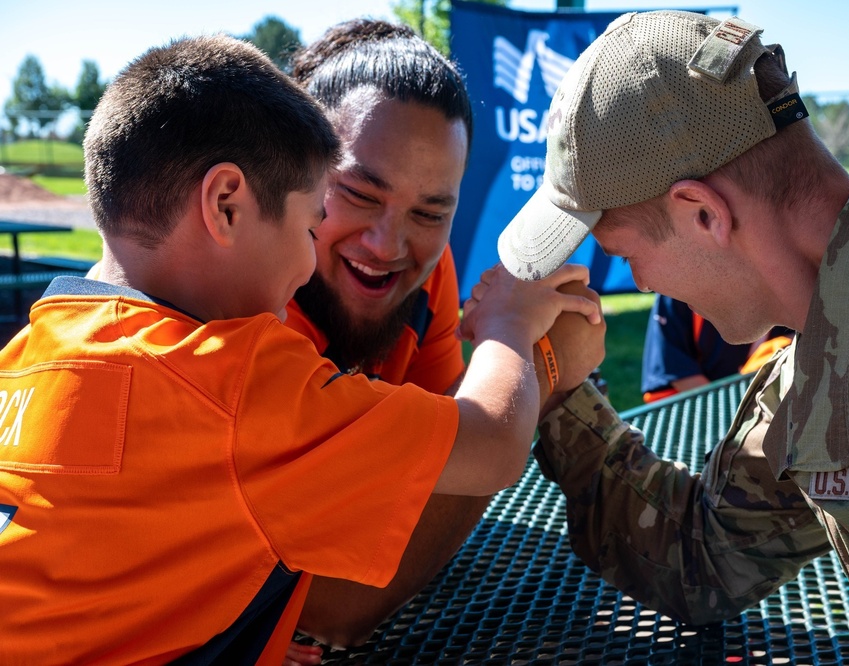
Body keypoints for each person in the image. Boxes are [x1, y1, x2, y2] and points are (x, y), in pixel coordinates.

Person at [0, 34, 603, 664]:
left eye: (429, 214)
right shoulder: (236, 377)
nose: (386, 244)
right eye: (318, 215)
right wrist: (521, 339)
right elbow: (488, 444)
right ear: (226, 205)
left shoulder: (31, 348)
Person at [488, 9, 849, 663]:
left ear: (703, 213)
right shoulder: (834, 356)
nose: (638, 282)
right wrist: (562, 390)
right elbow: (702, 555)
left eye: (622, 251)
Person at [274, 19, 598, 663]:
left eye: (430, 213)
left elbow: (438, 458)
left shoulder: (430, 273)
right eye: (360, 194)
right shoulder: (242, 311)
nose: (388, 246)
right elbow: (334, 605)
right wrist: (538, 361)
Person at [641, 294, 791, 402]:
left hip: (770, 404)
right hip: (699, 405)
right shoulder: (674, 291)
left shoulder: (786, 288)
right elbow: (679, 373)